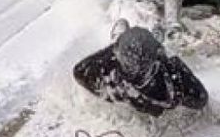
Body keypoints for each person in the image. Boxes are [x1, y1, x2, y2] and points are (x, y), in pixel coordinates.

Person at [73, 24, 208, 118]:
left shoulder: (110, 65)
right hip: (145, 93)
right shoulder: (174, 74)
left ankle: (126, 40)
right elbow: (201, 100)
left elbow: (80, 72)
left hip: (134, 94)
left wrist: (112, 98)